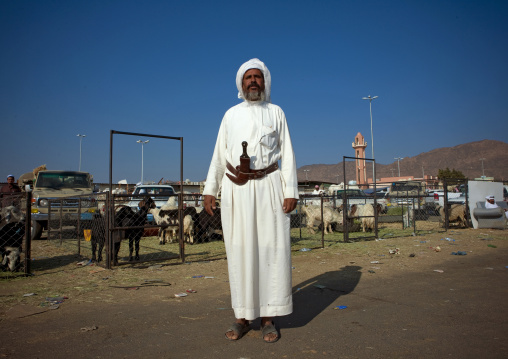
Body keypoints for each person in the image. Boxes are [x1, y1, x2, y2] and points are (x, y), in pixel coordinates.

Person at [203, 58, 298, 343]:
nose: (253, 81)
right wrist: (211, 189)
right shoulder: (230, 115)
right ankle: (242, 317)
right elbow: (220, 155)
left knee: (272, 249)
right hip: (237, 189)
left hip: (270, 185)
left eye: (257, 77)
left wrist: (290, 189)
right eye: (248, 77)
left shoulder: (276, 112)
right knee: (240, 249)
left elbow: (288, 153)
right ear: (241, 84)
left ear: (265, 82)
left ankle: (268, 318)